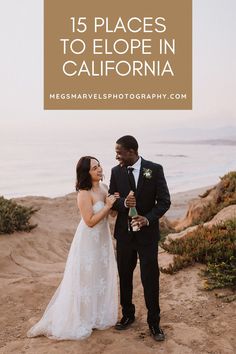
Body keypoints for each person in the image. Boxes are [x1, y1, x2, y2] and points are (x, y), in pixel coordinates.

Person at [27, 156, 118, 340]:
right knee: (84, 277)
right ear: (86, 173)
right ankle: (81, 317)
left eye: (99, 166)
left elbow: (111, 215)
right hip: (88, 240)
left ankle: (96, 315)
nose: (99, 169)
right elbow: (89, 221)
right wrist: (107, 207)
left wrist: (114, 205)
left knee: (99, 275)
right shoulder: (84, 193)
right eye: (94, 168)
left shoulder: (104, 188)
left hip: (103, 239)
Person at [109, 135, 171, 341]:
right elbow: (111, 199)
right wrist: (124, 205)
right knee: (124, 276)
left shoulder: (154, 169)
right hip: (124, 236)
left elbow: (164, 201)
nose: (116, 156)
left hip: (147, 237)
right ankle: (128, 315)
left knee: (150, 279)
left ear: (132, 151)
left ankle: (154, 323)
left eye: (119, 152)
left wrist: (148, 219)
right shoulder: (115, 172)